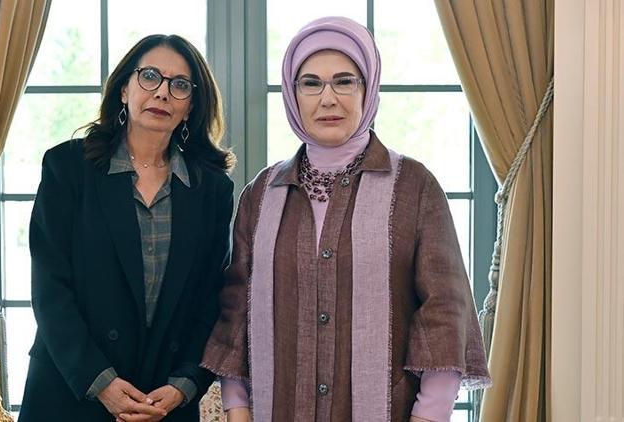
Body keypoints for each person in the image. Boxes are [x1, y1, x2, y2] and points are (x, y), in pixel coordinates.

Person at [201, 16, 491, 422]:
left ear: (367, 89)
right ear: (292, 94)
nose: (328, 98)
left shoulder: (414, 187)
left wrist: (429, 414)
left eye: (344, 81)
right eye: (311, 83)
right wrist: (238, 408)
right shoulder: (261, 193)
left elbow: (445, 312)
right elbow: (237, 311)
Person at [19, 34, 235, 422]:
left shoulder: (212, 189)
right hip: (71, 390)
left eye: (180, 85)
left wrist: (185, 383)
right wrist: (100, 382)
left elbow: (210, 299)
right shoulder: (68, 168)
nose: (163, 92)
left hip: (162, 400)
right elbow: (50, 289)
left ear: (190, 107)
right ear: (124, 89)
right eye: (149, 76)